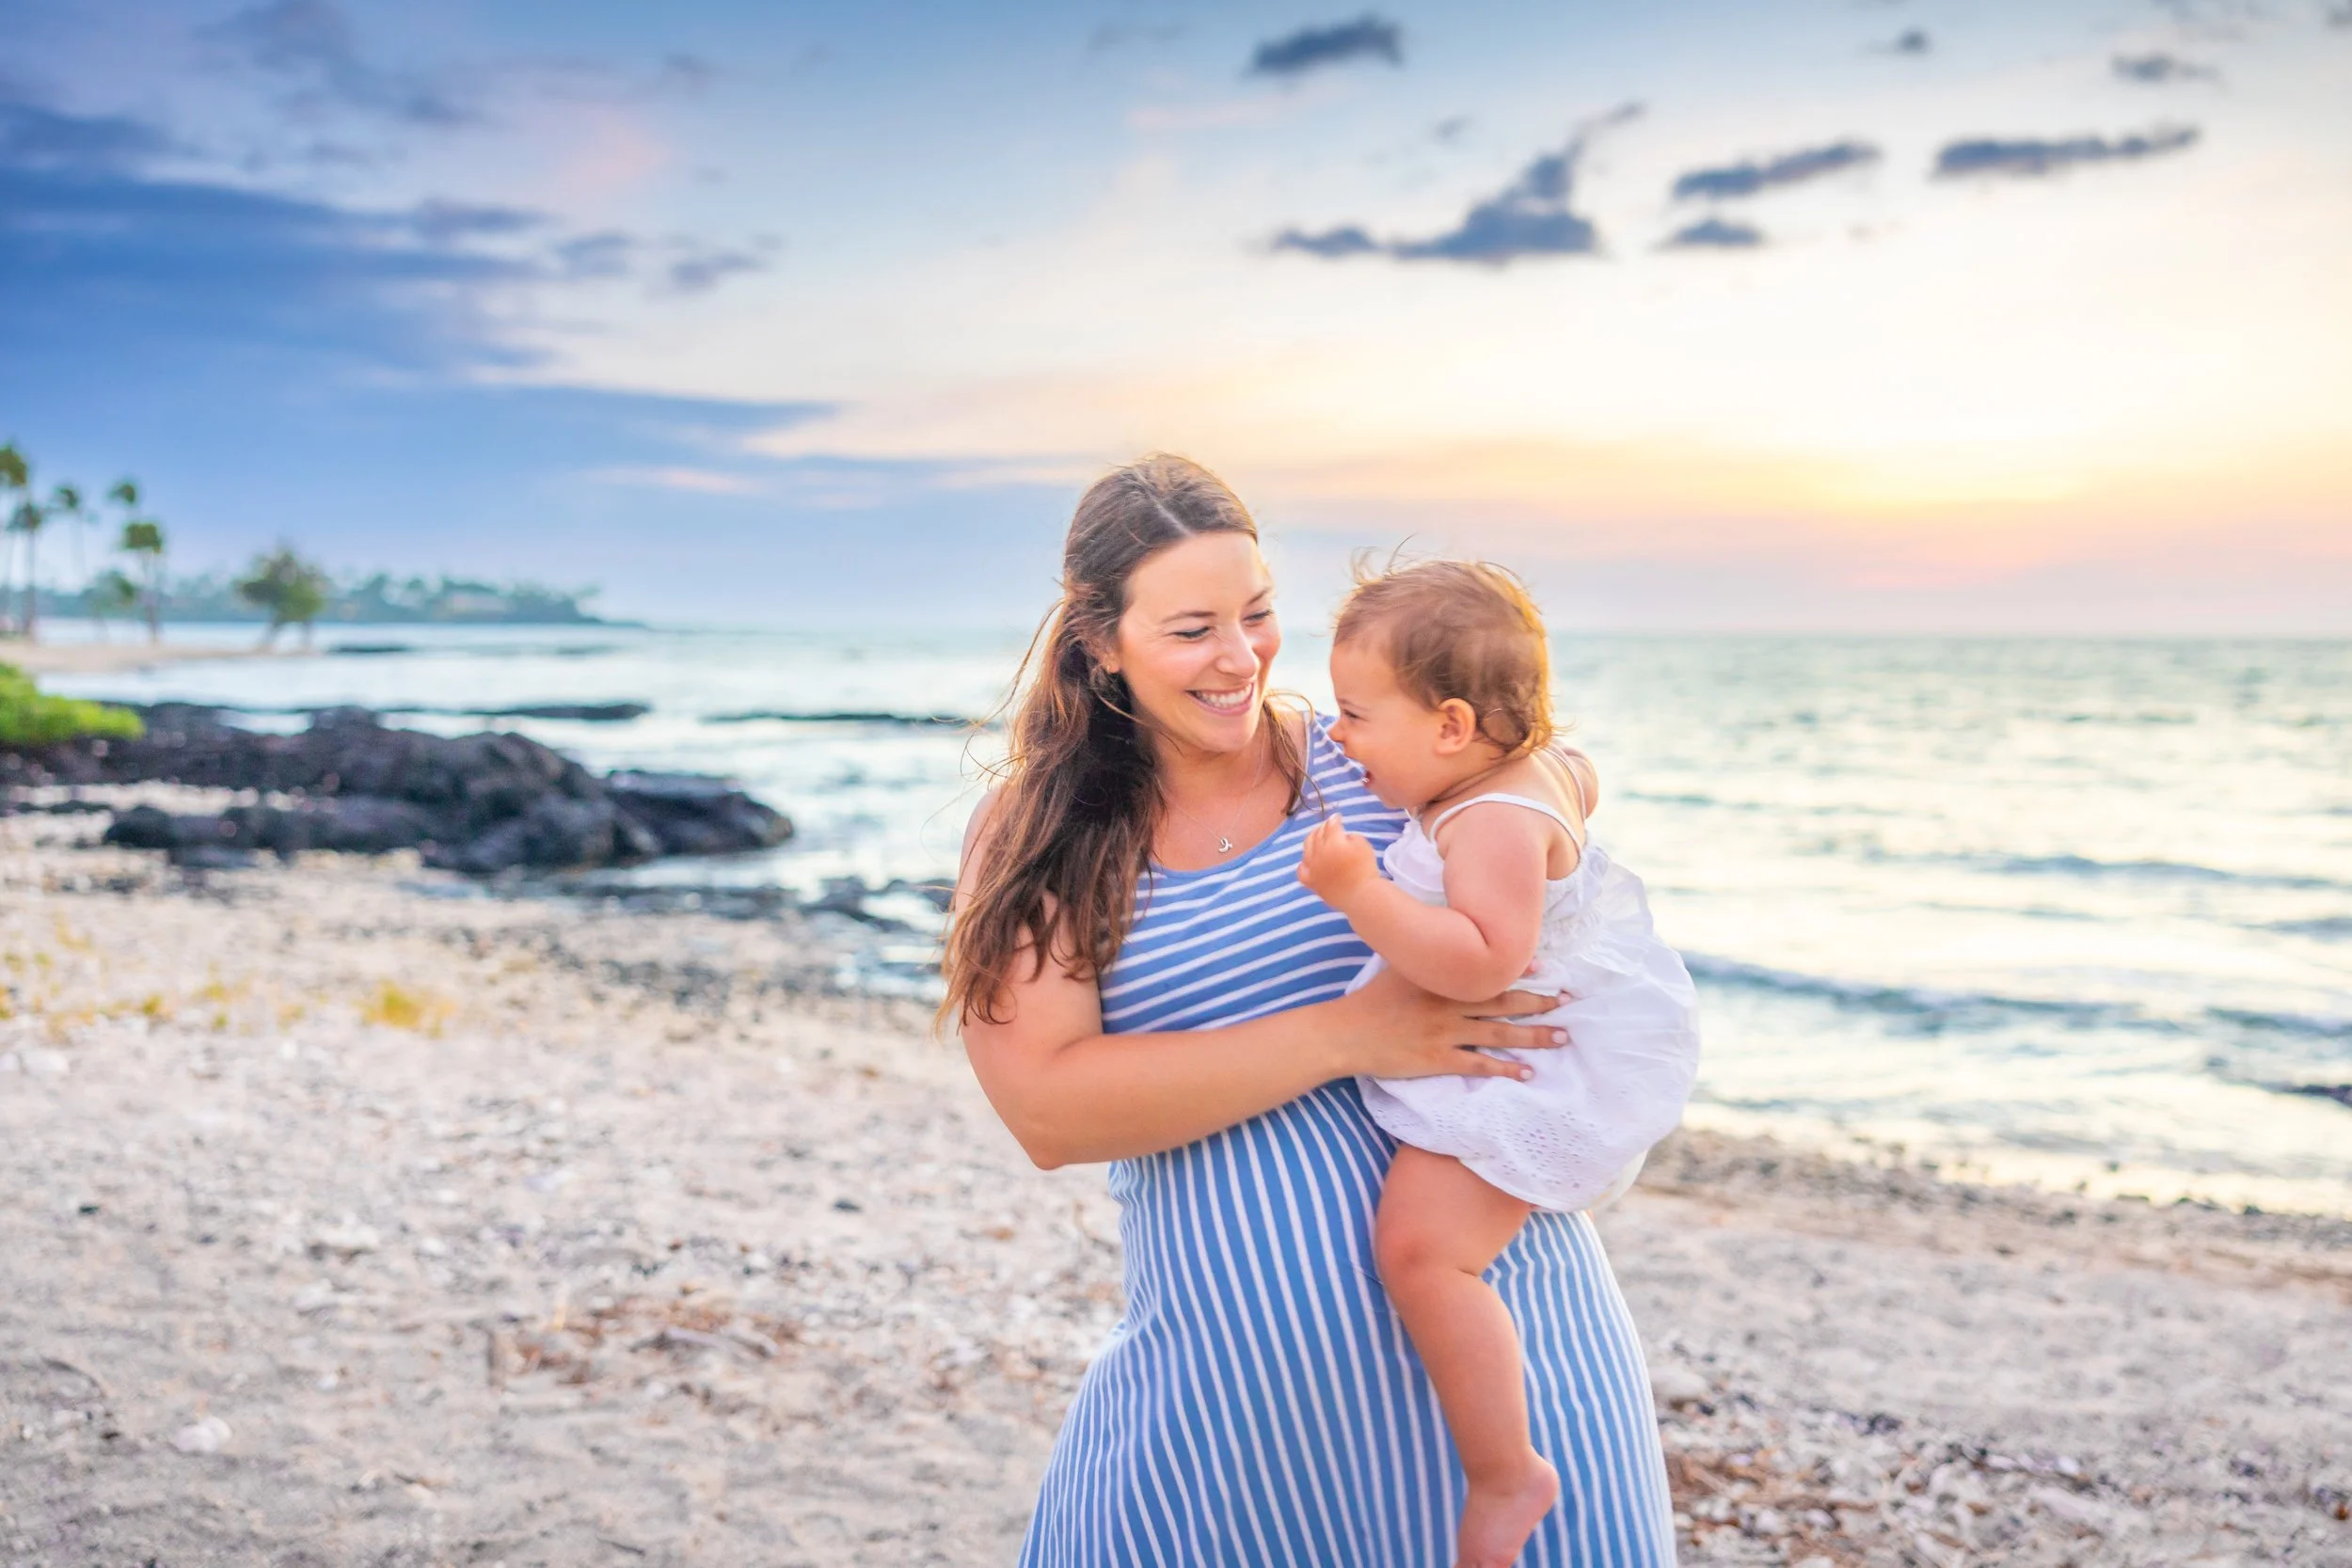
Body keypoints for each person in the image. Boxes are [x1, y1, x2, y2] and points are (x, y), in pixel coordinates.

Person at [946, 454, 1677, 1566]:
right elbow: (1048, 1109)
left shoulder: (1368, 758)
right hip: (1231, 1412)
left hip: (1508, 1360)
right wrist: (1352, 1034)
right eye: (1193, 628)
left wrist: (1550, 793)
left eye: (1257, 613)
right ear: (1101, 640)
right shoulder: (1039, 831)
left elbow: (1542, 768)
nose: (1240, 659)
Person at [1297, 560, 1702, 1568]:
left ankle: (1503, 1469)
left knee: (1422, 1254)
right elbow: (1579, 772)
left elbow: (1485, 959)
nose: (1337, 736)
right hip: (1541, 1038)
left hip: (1518, 1064)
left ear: (1448, 726)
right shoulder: (1536, 771)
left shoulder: (1487, 818)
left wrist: (1359, 890)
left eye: (1354, 714)